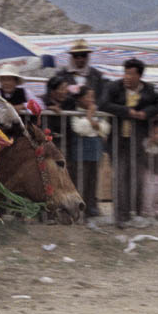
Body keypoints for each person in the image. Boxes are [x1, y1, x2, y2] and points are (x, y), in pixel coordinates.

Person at [99, 57, 158, 226]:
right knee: (119, 178)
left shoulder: (148, 89)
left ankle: (133, 213)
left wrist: (145, 113)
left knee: (136, 178)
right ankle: (120, 216)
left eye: (131, 74)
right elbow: (103, 104)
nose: (127, 76)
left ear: (139, 76)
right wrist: (128, 112)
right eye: (125, 73)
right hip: (118, 141)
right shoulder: (114, 87)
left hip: (138, 142)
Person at [67, 85, 109, 218]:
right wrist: (91, 120)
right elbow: (80, 128)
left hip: (94, 153)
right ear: (79, 99)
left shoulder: (97, 112)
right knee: (80, 181)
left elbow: (105, 129)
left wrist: (93, 124)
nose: (91, 99)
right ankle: (77, 210)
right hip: (80, 153)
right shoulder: (75, 112)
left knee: (92, 181)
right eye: (88, 96)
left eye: (93, 97)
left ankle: (91, 208)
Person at [40, 75, 75, 152]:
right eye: (61, 89)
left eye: (66, 88)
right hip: (47, 141)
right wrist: (46, 109)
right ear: (52, 91)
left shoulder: (70, 102)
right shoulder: (42, 101)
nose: (65, 91)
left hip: (66, 141)